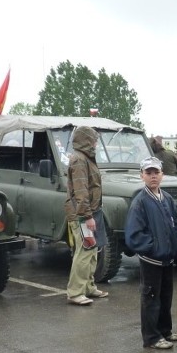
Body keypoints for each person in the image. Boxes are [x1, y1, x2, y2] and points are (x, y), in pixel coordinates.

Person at [124, 157, 177, 349]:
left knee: (166, 296)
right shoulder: (140, 202)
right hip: (152, 260)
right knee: (151, 298)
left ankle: (165, 330)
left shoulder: (167, 198)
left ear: (162, 175)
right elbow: (134, 234)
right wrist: (153, 247)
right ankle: (151, 337)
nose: (153, 177)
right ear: (142, 176)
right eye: (148, 173)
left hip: (167, 258)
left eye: (156, 173)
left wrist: (175, 242)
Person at [64, 126, 109, 305]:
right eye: (94, 139)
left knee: (92, 251)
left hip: (91, 211)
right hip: (83, 213)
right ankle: (75, 292)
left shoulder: (86, 158)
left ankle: (88, 287)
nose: (96, 143)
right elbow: (81, 190)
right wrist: (87, 216)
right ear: (86, 140)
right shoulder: (79, 160)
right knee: (84, 251)